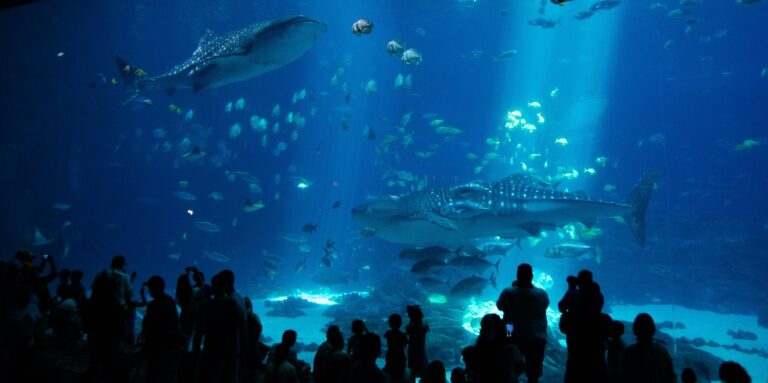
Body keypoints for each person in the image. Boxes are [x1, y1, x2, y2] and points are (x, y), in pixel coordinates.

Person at [496, 263, 549, 383]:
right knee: (533, 374)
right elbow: (544, 306)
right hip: (536, 337)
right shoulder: (542, 294)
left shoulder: (508, 292)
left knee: (511, 370)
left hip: (512, 335)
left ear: (517, 275)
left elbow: (500, 307)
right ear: (532, 276)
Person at [560, 269, 612, 383]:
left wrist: (571, 289)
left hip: (575, 342)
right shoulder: (598, 296)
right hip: (595, 346)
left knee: (573, 368)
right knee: (596, 369)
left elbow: (561, 307)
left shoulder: (573, 294)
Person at [199, 272, 243, 383]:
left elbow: (200, 329)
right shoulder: (233, 303)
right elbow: (240, 327)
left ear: (213, 287)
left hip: (212, 349)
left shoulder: (207, 305)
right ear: (226, 286)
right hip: (231, 350)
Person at [140, 275, 181, 383]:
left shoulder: (154, 304)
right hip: (172, 346)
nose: (148, 290)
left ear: (154, 288)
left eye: (150, 287)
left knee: (154, 376)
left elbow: (147, 325)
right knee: (169, 376)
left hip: (158, 347)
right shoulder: (170, 301)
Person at [619, 313, 675, 383]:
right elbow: (670, 376)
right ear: (653, 330)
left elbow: (623, 377)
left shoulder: (629, 352)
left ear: (635, 330)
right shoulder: (662, 350)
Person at [406, 305, 429, 383]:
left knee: (416, 370)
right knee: (421, 370)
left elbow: (409, 333)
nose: (408, 315)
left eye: (409, 314)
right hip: (419, 351)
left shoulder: (414, 327)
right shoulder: (421, 325)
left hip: (415, 351)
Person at [384, 313, 408, 383]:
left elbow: (385, 336)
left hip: (390, 355)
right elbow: (405, 344)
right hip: (400, 357)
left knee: (391, 374)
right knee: (400, 375)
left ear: (389, 324)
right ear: (401, 323)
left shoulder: (388, 333)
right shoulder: (403, 335)